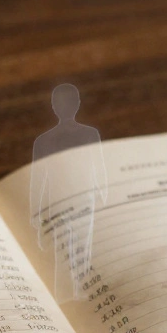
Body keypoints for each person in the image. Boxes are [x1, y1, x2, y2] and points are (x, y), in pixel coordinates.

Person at [29, 83, 107, 302]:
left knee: (77, 249)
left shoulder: (88, 134)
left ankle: (77, 293)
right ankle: (68, 295)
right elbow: (38, 180)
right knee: (69, 249)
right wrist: (36, 213)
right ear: (53, 106)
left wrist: (103, 196)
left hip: (78, 201)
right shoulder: (44, 141)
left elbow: (98, 168)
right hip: (67, 203)